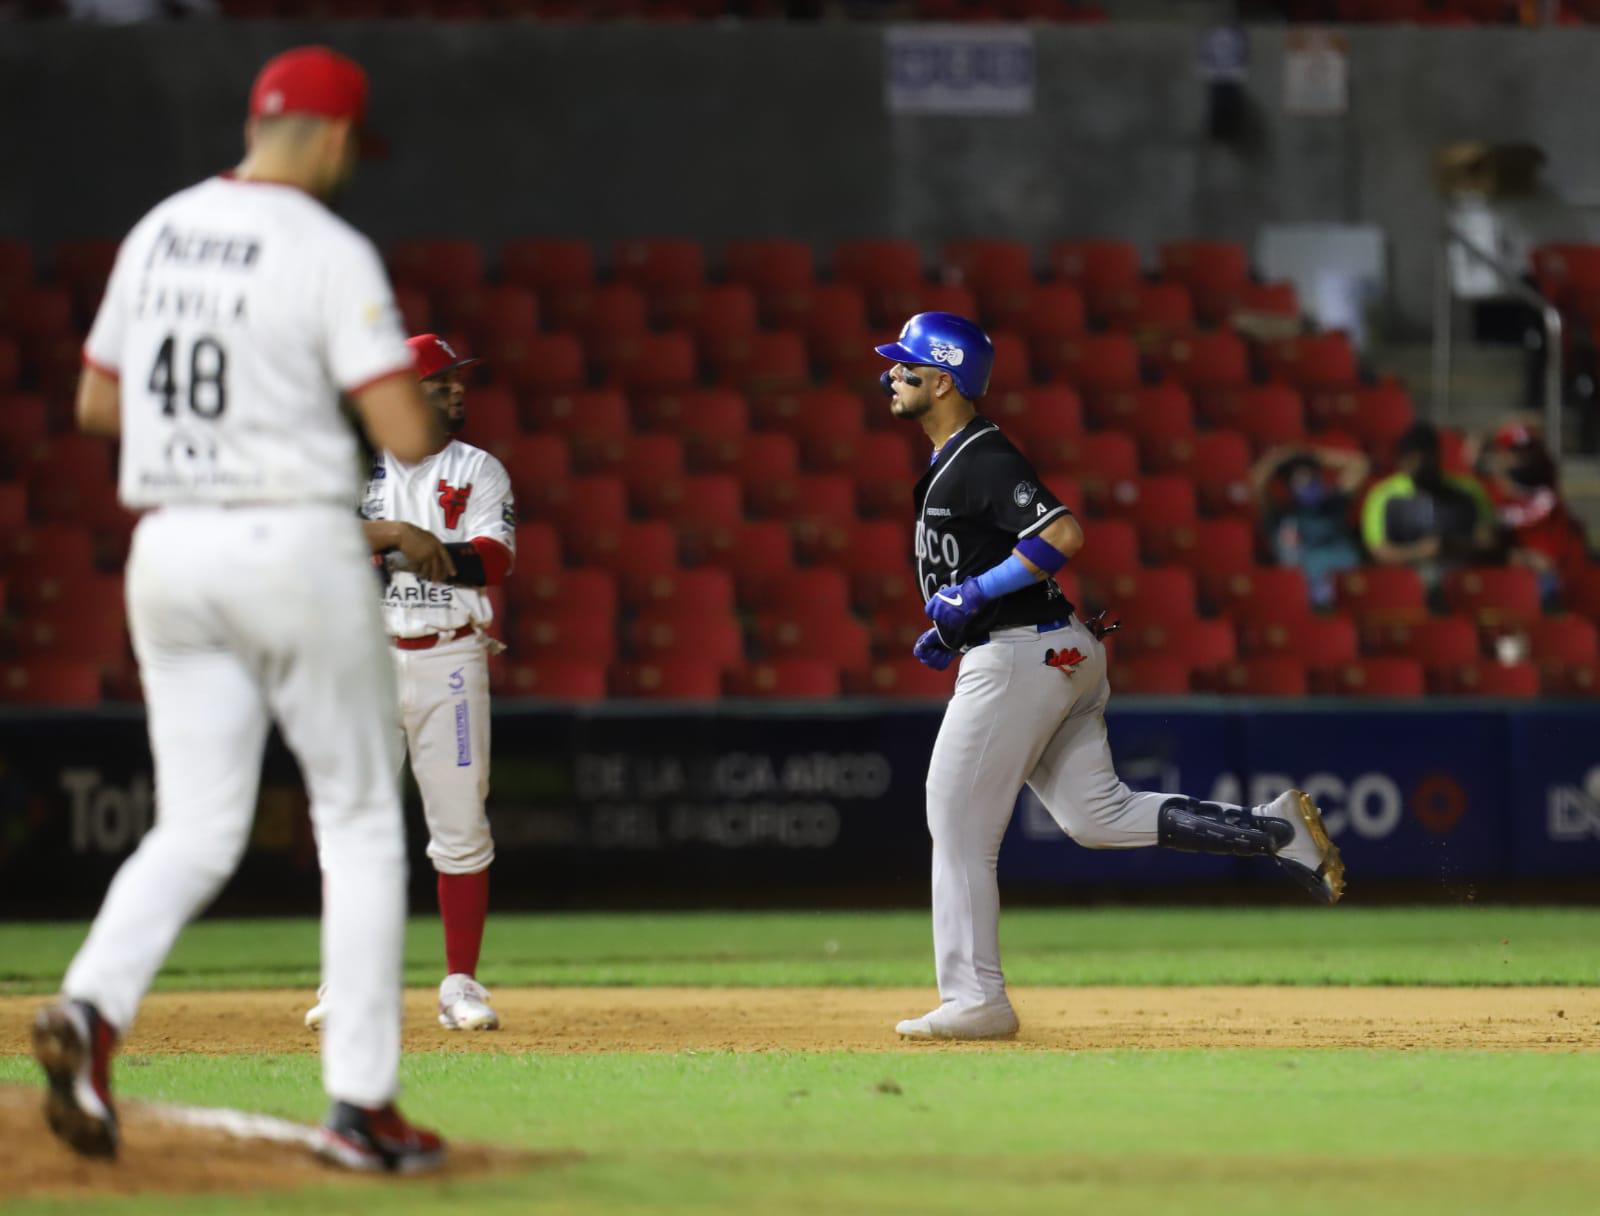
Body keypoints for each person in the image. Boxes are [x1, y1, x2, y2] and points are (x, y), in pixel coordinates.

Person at [34, 47, 446, 1172]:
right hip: (291, 538)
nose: (349, 163)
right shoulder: (324, 245)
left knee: (198, 824)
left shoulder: (159, 229)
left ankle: (89, 1009)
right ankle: (361, 1106)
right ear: (325, 135)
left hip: (170, 548)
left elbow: (95, 399)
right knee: (359, 818)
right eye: (351, 144)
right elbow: (408, 435)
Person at [878, 312, 1344, 1042]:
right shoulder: (951, 462)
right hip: (1049, 649)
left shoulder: (982, 455)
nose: (891, 376)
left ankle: (976, 998)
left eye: (906, 367)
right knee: (1095, 817)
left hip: (1021, 654)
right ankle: (1277, 832)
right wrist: (952, 625)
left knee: (956, 816)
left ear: (943, 380)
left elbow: (1062, 535)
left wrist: (977, 599)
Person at [305, 333, 515, 1034]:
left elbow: (492, 560)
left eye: (459, 380)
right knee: (353, 825)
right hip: (362, 662)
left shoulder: (479, 469)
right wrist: (400, 534)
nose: (458, 390)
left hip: (449, 660)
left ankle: (461, 983)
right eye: (441, 382)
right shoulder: (350, 466)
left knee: (460, 828)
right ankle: (346, 982)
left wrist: (384, 547)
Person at [1361, 422, 1498, 592]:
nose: (1418, 467)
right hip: (1404, 583)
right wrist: (1420, 551)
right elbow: (1378, 551)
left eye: (1425, 459)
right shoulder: (1382, 496)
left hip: (1461, 579)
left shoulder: (1469, 490)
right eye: (1411, 460)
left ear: (1436, 456)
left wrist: (1451, 545)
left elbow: (1487, 539)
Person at [1476, 420, 1589, 604]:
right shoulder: (1487, 490)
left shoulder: (1546, 497)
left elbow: (1547, 562)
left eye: (1527, 452)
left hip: (1549, 584)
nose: (1522, 459)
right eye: (1514, 452)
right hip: (1503, 578)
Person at [1250, 442, 1370, 608]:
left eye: (1312, 477)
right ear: (1289, 487)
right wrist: (1278, 459)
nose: (1308, 484)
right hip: (1303, 600)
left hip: (1346, 591)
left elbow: (1359, 463)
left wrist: (1313, 456)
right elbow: (1256, 483)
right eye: (1300, 480)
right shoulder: (1280, 516)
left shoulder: (1333, 504)